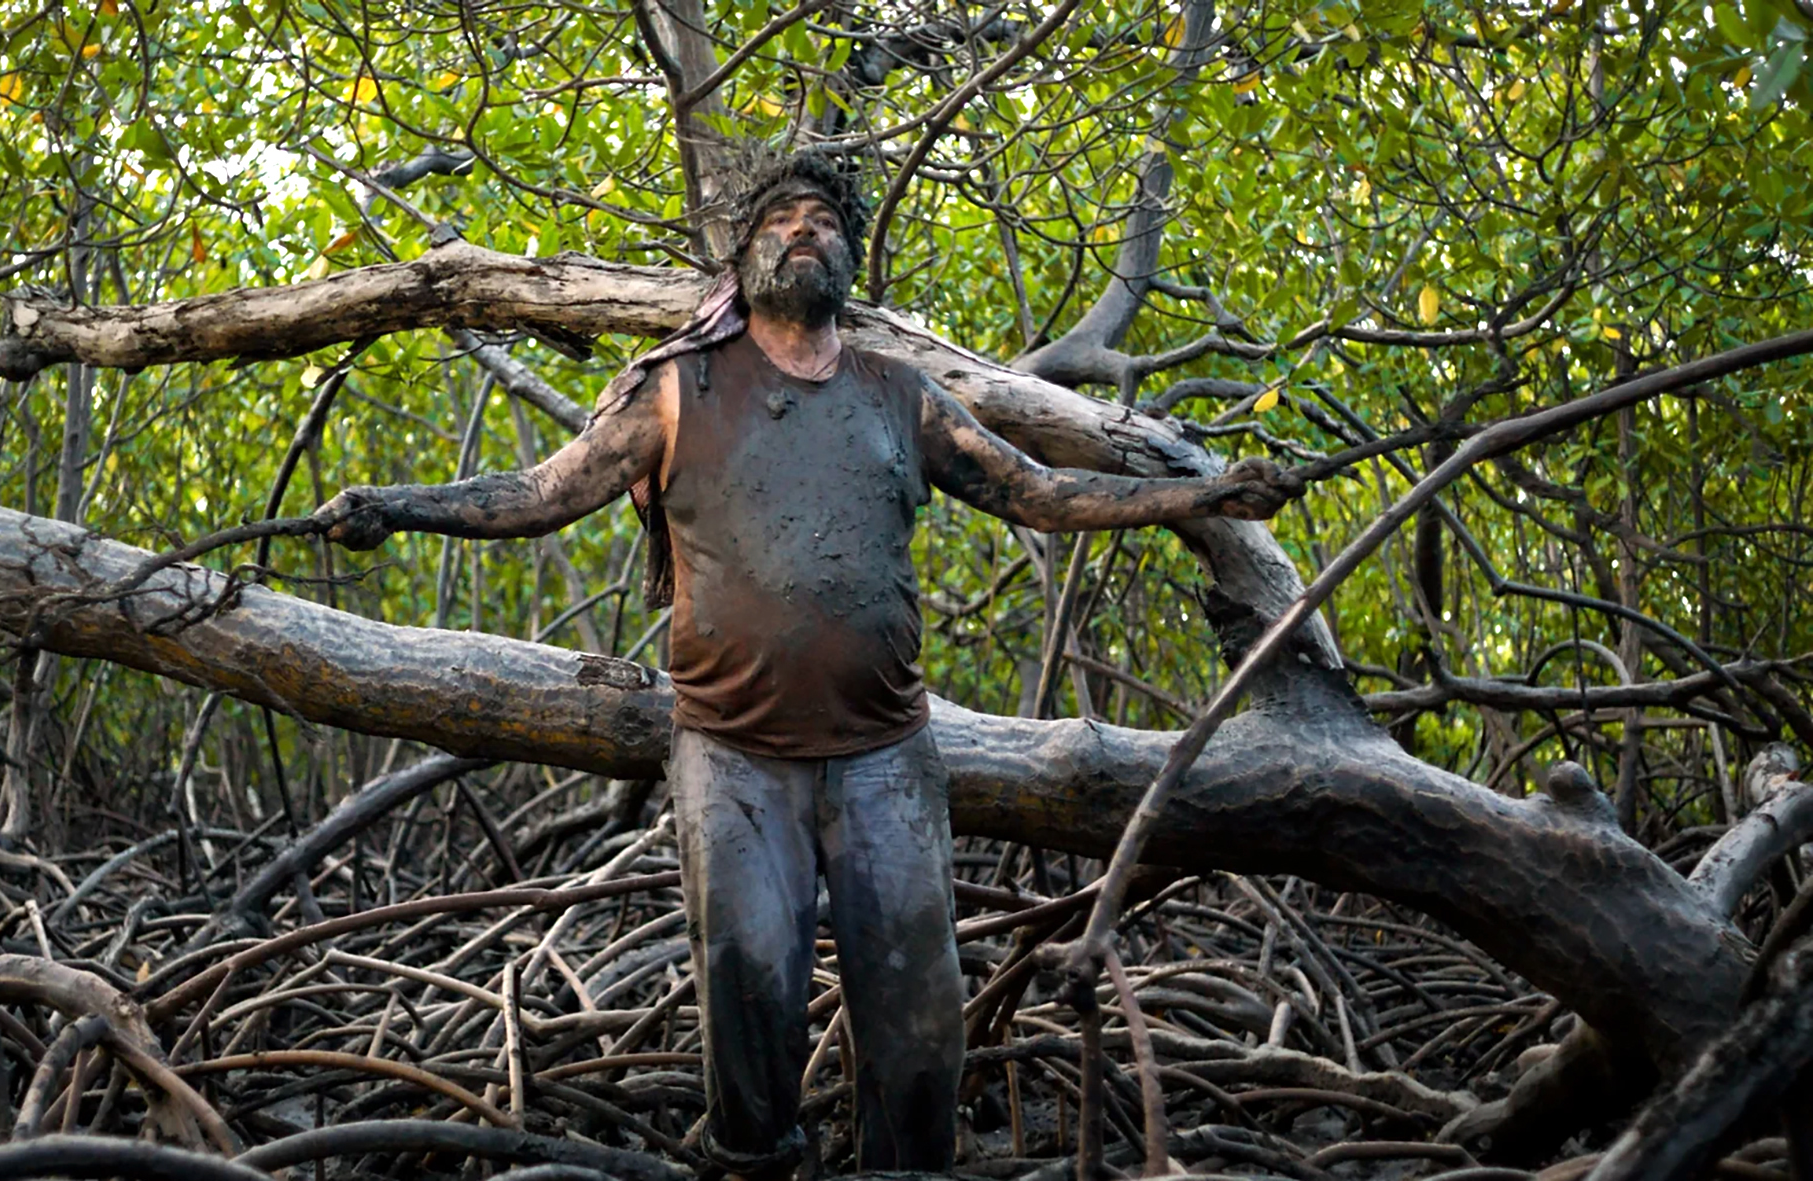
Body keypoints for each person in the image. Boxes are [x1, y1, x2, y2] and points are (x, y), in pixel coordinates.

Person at [313, 152, 1304, 1176]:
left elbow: (1038, 492)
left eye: (823, 219)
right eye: (779, 219)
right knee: (748, 997)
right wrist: (397, 505)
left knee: (921, 1018)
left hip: (887, 755)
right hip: (733, 755)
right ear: (741, 260)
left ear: (850, 256)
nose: (801, 231)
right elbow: (535, 492)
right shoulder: (674, 390)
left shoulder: (898, 395)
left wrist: (1202, 495)